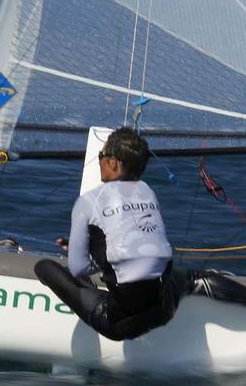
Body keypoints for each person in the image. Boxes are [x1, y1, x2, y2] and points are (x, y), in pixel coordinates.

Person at [34, 127, 180, 341]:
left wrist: (85, 252)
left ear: (113, 162)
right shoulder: (148, 192)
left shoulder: (87, 203)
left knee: (44, 267)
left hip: (120, 325)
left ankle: (91, 301)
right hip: (162, 312)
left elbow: (78, 268)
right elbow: (136, 241)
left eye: (101, 156)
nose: (99, 160)